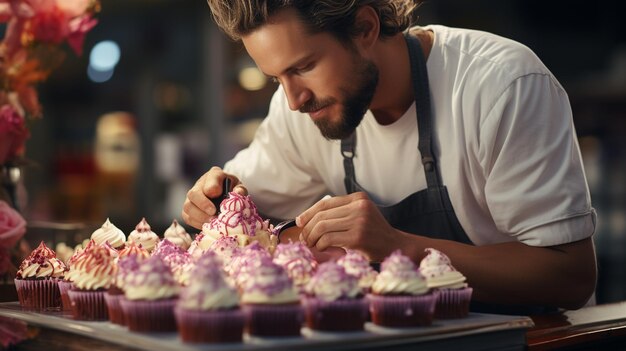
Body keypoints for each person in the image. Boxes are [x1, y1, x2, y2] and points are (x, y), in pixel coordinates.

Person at [183, 0, 597, 314]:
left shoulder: (500, 87)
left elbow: (570, 275)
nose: (293, 99)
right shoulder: (305, 111)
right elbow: (244, 199)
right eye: (278, 78)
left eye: (305, 66)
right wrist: (220, 200)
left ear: (364, 27)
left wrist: (398, 245)